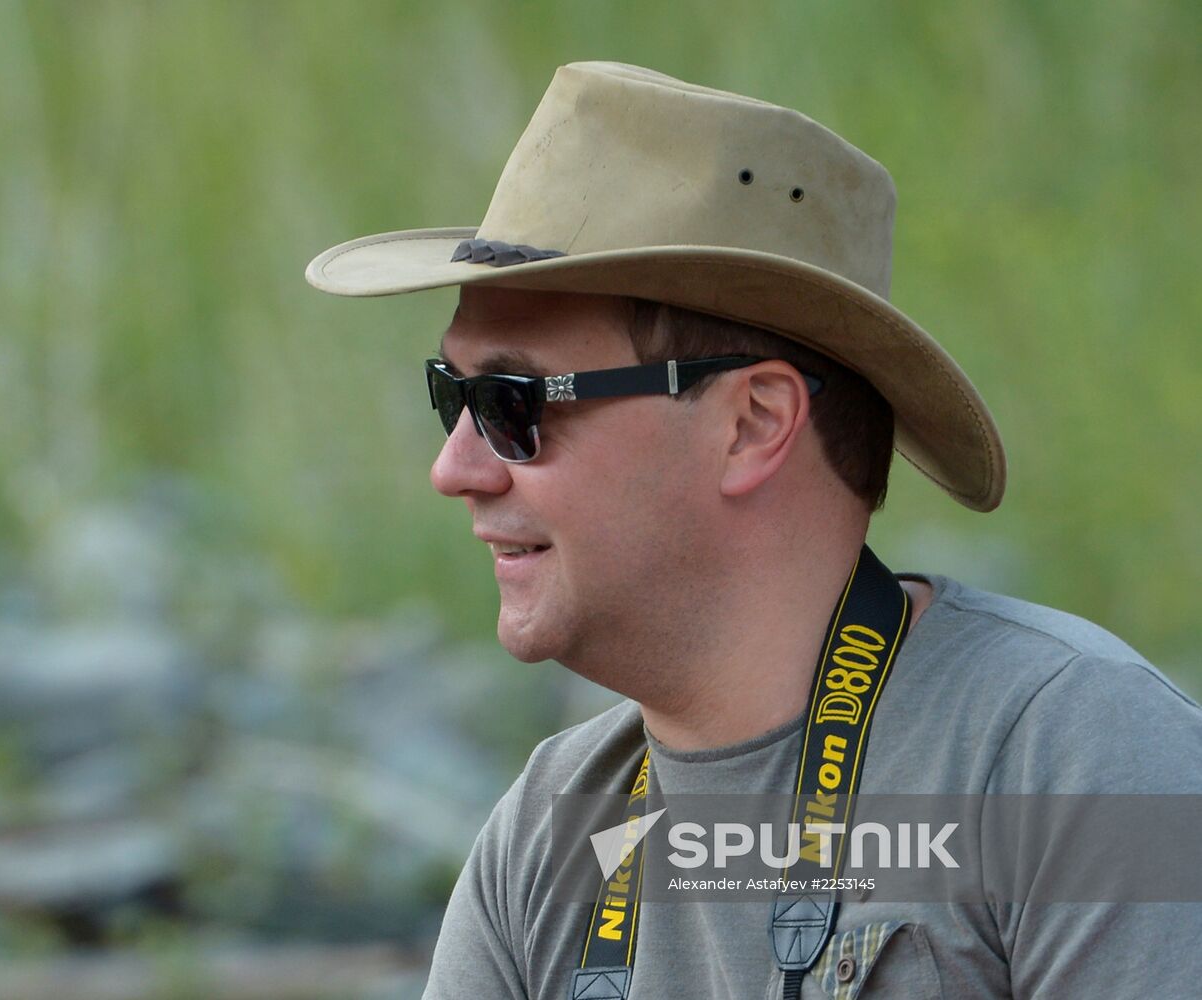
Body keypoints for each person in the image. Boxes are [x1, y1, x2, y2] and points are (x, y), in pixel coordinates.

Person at [307, 63, 1202, 999]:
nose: (455, 469)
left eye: (511, 403)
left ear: (753, 424)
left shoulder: (1074, 762)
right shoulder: (551, 826)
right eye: (454, 397)